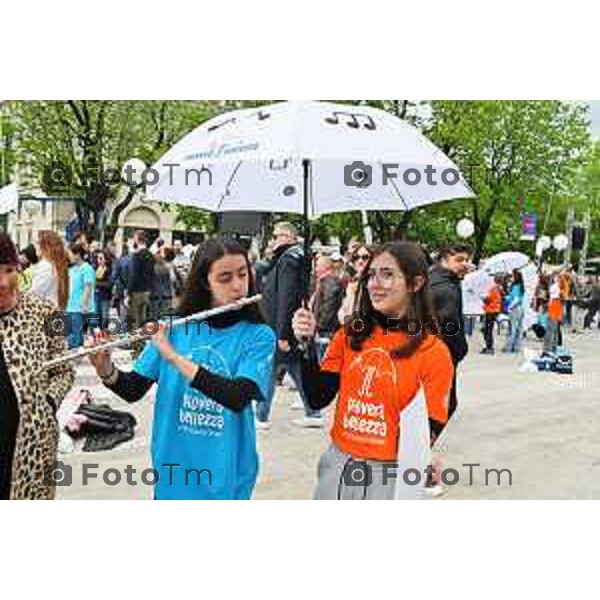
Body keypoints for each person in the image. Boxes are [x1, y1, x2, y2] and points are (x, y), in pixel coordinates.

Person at [88, 238, 276, 500]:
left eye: (242, 275)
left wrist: (173, 357)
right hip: (172, 473)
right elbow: (132, 390)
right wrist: (106, 369)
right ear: (204, 281)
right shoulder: (174, 327)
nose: (237, 286)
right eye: (225, 278)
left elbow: (237, 397)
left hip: (226, 477)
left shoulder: (259, 336)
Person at [292, 241, 454, 500]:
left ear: (416, 283)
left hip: (389, 473)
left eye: (387, 274)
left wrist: (425, 452)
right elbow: (317, 397)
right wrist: (305, 344)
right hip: (338, 466)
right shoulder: (350, 333)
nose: (375, 284)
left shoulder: (433, 352)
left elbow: (429, 425)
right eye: (371, 275)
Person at [0, 232, 75, 499]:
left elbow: (66, 368)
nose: (3, 282)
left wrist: (48, 403)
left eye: (9, 270)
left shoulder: (48, 312)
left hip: (33, 447)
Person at [258, 221, 320, 428]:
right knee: (293, 369)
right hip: (283, 327)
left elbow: (286, 298)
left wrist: (282, 333)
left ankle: (261, 415)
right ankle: (313, 411)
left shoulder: (288, 260)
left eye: (277, 236)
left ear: (289, 237)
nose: (273, 240)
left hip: (281, 327)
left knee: (271, 368)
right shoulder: (291, 258)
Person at [429, 243, 471, 419]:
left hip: (427, 351)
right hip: (440, 355)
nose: (465, 264)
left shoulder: (432, 279)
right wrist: (461, 350)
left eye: (467, 260)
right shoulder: (447, 289)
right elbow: (450, 326)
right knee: (445, 406)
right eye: (459, 260)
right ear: (444, 261)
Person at [310, 255, 345, 361]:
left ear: (325, 267)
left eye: (317, 266)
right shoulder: (324, 281)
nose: (315, 269)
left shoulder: (330, 282)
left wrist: (319, 326)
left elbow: (328, 308)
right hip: (323, 332)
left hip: (326, 333)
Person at [66, 242, 96, 349]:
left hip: (79, 308)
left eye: (70, 254)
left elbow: (88, 287)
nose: (68, 257)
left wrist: (84, 304)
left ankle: (75, 355)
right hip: (70, 306)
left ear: (77, 254)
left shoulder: (87, 268)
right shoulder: (72, 269)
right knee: (71, 334)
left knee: (75, 336)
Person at [127, 230, 156, 331]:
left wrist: (128, 292)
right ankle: (141, 342)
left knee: (134, 319)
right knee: (143, 320)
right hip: (147, 291)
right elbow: (153, 275)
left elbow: (134, 275)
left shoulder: (137, 255)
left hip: (137, 291)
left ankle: (135, 344)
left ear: (136, 239)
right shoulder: (151, 256)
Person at [337, 243, 372, 325]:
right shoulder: (352, 283)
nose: (360, 261)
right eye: (356, 258)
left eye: (365, 257)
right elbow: (343, 318)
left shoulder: (377, 283)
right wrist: (351, 295)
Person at [502, 269, 526, 353]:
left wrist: (509, 307)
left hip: (514, 308)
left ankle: (508, 347)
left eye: (512, 276)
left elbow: (515, 299)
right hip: (520, 308)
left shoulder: (515, 286)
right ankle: (516, 347)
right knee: (519, 328)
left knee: (511, 328)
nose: (511, 278)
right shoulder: (521, 286)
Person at [480, 275, 503, 355]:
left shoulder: (494, 289)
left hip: (490, 310)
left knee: (487, 329)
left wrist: (483, 298)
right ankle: (488, 346)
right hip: (495, 310)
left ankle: (489, 347)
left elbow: (488, 300)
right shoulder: (500, 289)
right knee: (488, 329)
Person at [543, 273, 564, 353]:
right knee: (554, 330)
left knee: (550, 331)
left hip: (554, 308)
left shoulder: (556, 286)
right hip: (556, 308)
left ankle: (548, 349)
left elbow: (552, 297)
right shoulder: (557, 286)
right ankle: (553, 348)